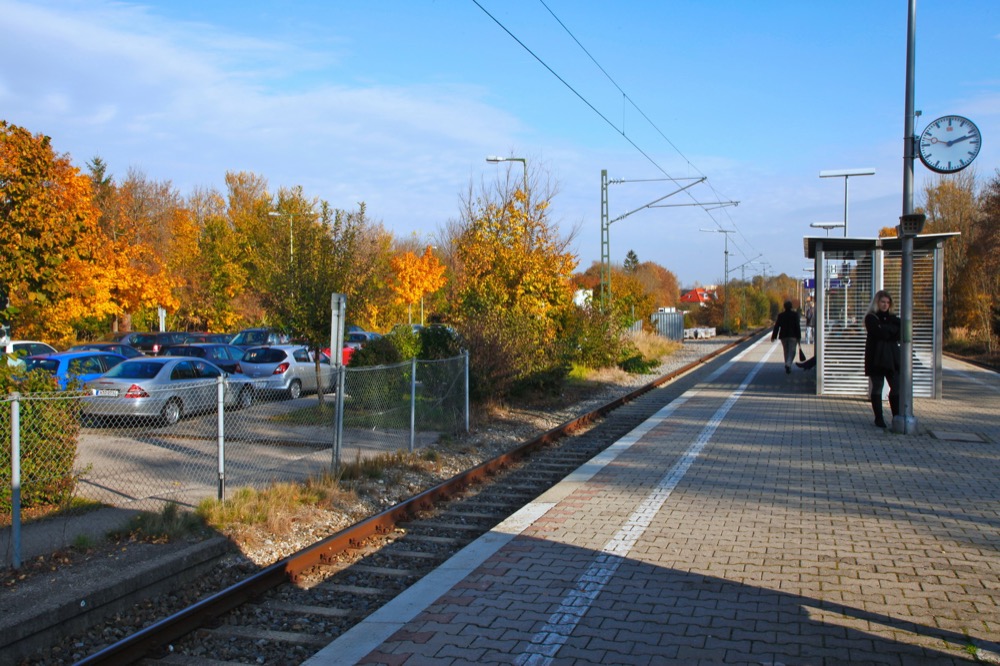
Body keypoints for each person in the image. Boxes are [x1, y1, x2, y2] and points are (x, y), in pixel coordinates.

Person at [864, 289, 901, 428]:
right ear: (877, 303)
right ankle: (878, 418)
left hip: (892, 358)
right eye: (882, 302)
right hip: (876, 358)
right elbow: (880, 332)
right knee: (877, 387)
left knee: (896, 387)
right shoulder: (871, 318)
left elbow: (898, 333)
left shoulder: (894, 318)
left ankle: (896, 416)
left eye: (887, 302)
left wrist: (886, 330)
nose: (885, 305)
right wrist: (889, 330)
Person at [771, 300, 801, 374]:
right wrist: (799, 336)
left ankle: (788, 365)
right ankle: (788, 364)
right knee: (792, 351)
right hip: (793, 336)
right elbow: (797, 326)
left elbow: (777, 326)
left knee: (786, 351)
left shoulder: (781, 315)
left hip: (783, 336)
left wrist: (774, 336)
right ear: (791, 307)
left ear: (784, 307)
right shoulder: (795, 315)